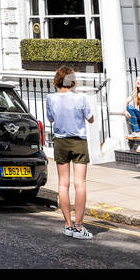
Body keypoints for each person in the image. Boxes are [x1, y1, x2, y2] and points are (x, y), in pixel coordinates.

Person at [45, 65, 96, 240]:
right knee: (80, 184)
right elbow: (90, 119)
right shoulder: (81, 98)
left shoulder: (50, 98)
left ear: (58, 80)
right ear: (72, 81)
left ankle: (68, 225)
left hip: (60, 141)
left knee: (63, 184)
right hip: (78, 141)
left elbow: (50, 118)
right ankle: (79, 227)